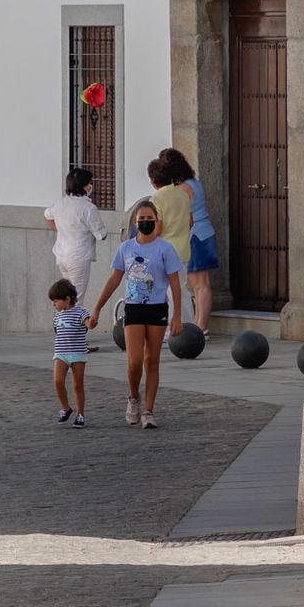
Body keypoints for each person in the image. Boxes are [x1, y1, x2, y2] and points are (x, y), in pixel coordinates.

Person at [89, 199, 183, 428]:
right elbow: (114, 279)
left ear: (157, 222)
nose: (146, 223)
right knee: (134, 362)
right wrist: (97, 307)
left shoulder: (165, 248)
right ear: (135, 223)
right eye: (142, 220)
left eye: (150, 220)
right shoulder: (126, 248)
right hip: (133, 308)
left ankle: (149, 411)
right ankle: (133, 398)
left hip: (157, 309)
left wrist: (177, 316)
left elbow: (175, 283)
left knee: (152, 361)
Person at [156, 146, 217, 331]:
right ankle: (199, 325)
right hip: (204, 233)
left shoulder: (183, 188)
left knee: (200, 285)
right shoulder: (193, 182)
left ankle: (200, 327)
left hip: (196, 236)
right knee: (199, 285)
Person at [43, 167, 108, 310]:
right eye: (90, 182)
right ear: (85, 185)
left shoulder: (60, 203)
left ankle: (64, 327)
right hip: (79, 257)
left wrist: (61, 229)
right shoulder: (88, 208)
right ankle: (71, 329)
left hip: (62, 256)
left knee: (66, 296)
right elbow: (102, 234)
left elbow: (47, 215)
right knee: (75, 300)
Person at [49, 278, 88, 426]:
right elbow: (57, 332)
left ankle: (80, 414)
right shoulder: (57, 316)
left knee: (78, 385)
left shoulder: (80, 312)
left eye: (55, 301)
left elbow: (88, 323)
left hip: (77, 354)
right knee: (58, 381)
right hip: (61, 353)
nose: (53, 304)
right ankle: (66, 408)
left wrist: (91, 322)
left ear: (67, 299)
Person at [147, 156, 193, 281]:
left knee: (167, 291)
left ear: (154, 180)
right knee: (182, 290)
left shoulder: (156, 199)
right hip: (183, 251)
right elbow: (190, 222)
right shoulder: (183, 195)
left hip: (165, 252)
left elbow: (157, 230)